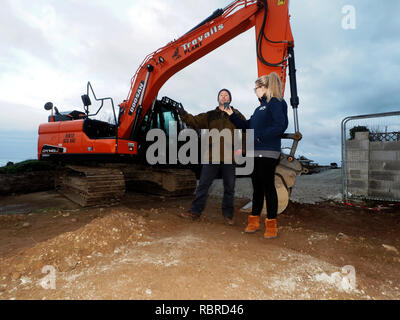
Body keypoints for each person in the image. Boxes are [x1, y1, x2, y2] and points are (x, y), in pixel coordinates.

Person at [223, 73, 288, 238]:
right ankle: (253, 221)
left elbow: (281, 124)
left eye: (257, 88)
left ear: (265, 87)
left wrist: (261, 136)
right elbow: (247, 126)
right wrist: (232, 115)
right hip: (254, 152)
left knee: (268, 187)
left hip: (268, 151)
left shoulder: (276, 102)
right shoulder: (258, 109)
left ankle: (271, 224)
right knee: (257, 188)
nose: (255, 91)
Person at [176, 89, 246, 225]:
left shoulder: (237, 115)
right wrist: (183, 114)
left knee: (229, 188)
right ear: (218, 98)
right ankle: (194, 212)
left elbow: (245, 131)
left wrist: (242, 149)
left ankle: (228, 215)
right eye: (221, 95)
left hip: (229, 157)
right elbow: (194, 121)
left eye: (226, 95)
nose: (224, 97)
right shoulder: (210, 115)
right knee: (203, 185)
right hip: (211, 156)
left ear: (230, 99)